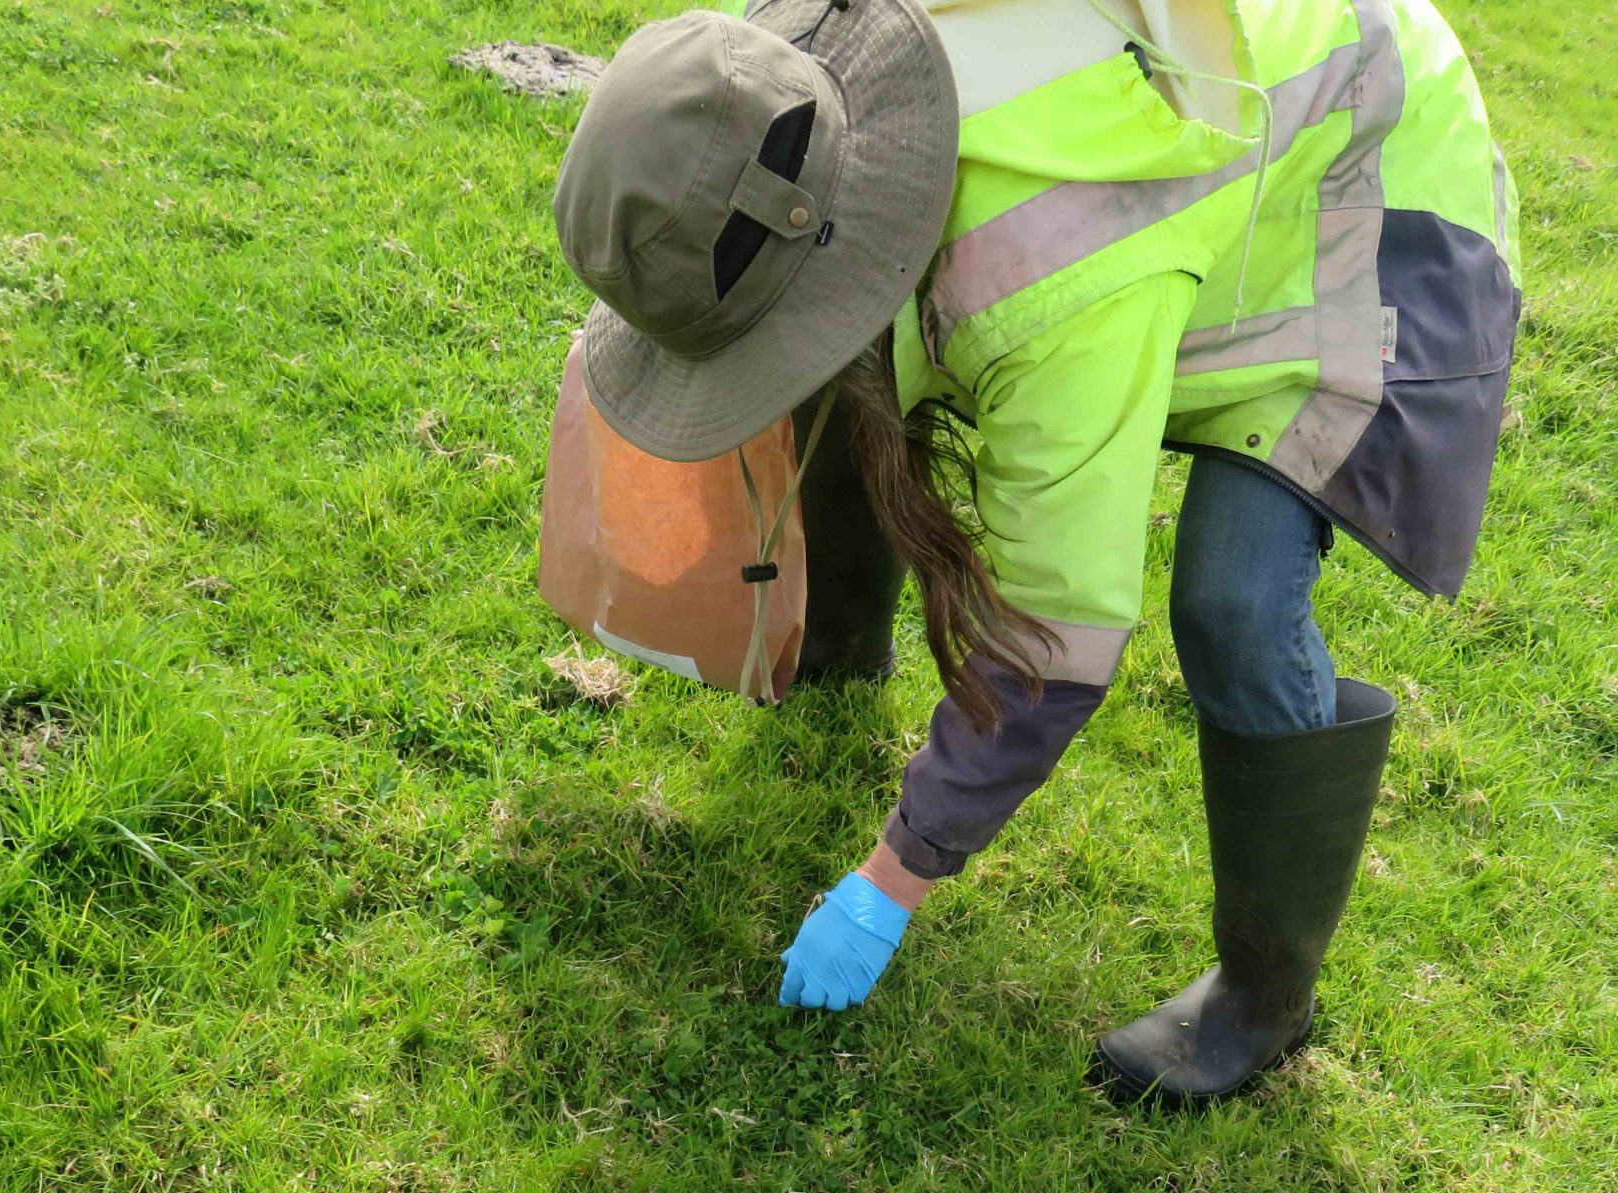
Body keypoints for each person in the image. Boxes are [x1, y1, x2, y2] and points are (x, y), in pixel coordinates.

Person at [551, 0, 1521, 1103]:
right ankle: (837, 648)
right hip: (1186, 146)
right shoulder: (787, 83)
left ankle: (1264, 994)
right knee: (839, 360)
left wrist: (890, 879)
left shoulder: (1040, 273)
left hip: (1368, 181)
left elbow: (1049, 637)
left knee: (1232, 600)